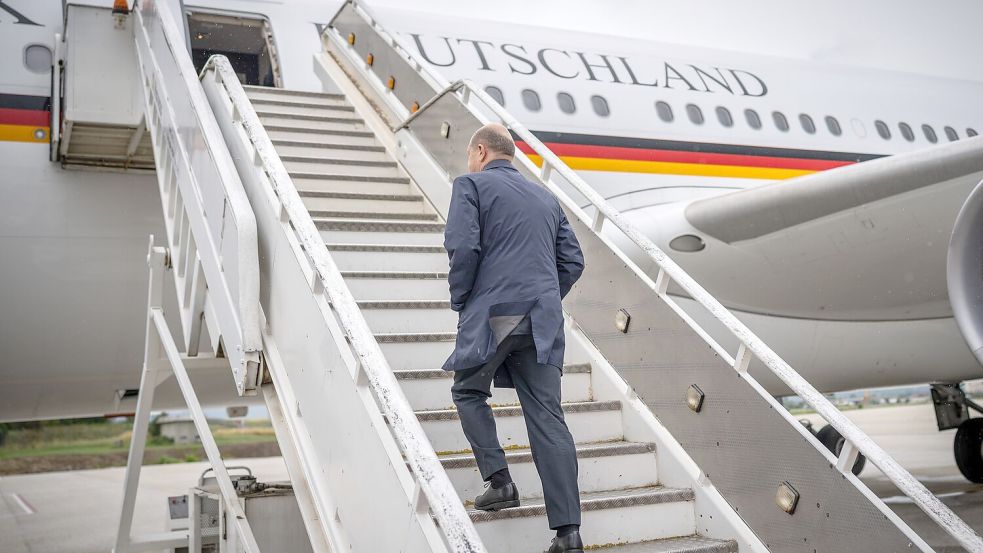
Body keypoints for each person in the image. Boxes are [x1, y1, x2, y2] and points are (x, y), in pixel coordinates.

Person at [442, 123, 586, 553]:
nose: (470, 162)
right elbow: (573, 261)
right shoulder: (546, 197)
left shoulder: (470, 185)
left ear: (481, 151)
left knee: (468, 390)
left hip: (494, 313)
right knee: (547, 417)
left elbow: (463, 248)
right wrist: (541, 298)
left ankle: (499, 480)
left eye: (471, 155)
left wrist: (463, 299)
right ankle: (568, 534)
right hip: (542, 320)